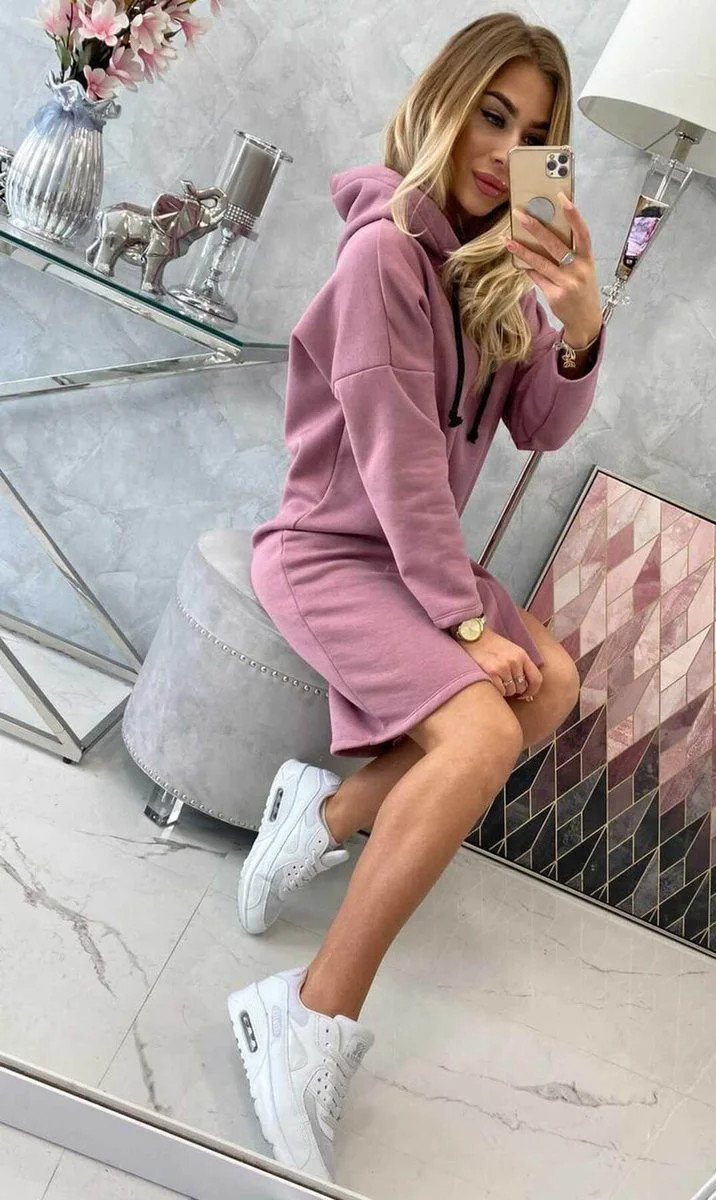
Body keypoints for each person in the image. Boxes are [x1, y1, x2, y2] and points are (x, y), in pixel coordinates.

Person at [226, 11, 607, 1184]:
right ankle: (305, 1012)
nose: (504, 151)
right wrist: (467, 622)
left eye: (533, 136)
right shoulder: (383, 256)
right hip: (336, 553)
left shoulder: (492, 266)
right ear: (444, 103)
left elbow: (537, 427)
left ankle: (330, 812)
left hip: (416, 555)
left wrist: (577, 325)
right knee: (486, 726)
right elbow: (394, 466)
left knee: (552, 689)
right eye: (491, 115)